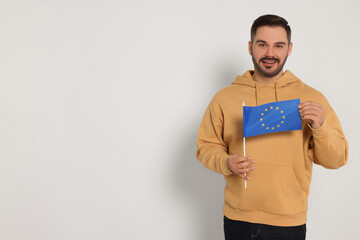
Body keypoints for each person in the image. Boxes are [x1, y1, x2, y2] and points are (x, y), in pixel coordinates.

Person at [195, 14, 348, 240]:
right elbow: (205, 147)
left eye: (278, 45)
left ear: (289, 48)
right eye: (262, 44)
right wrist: (225, 162)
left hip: (289, 222)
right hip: (238, 220)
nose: (270, 53)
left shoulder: (311, 98)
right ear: (250, 47)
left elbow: (337, 159)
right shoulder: (224, 98)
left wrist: (320, 126)